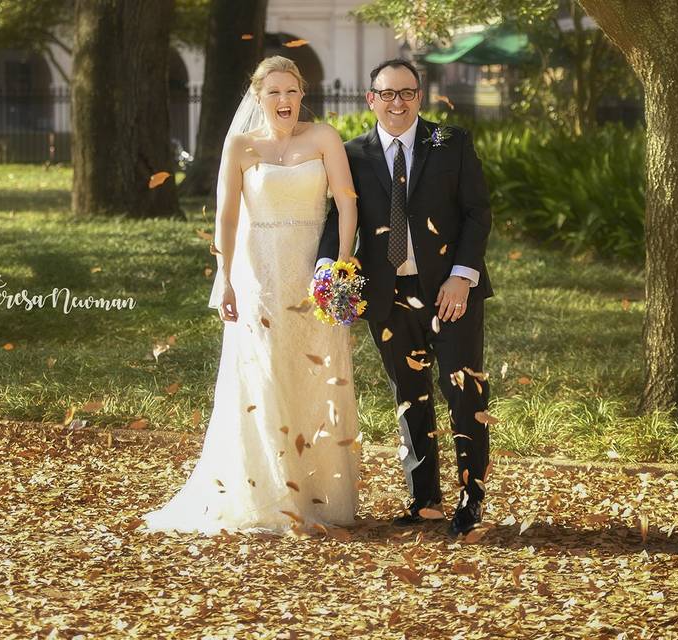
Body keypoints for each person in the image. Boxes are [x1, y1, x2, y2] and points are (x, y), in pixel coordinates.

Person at [143, 56, 360, 535]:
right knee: (262, 377)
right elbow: (227, 217)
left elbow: (346, 201)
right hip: (259, 272)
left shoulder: (323, 137)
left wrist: (340, 266)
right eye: (273, 93)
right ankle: (265, 495)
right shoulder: (240, 145)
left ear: (303, 93)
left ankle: (315, 494)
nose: (283, 101)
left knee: (312, 373)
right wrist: (226, 276)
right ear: (258, 98)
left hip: (312, 272)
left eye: (291, 91)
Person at [317, 58, 494, 537]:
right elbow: (338, 220)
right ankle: (424, 499)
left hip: (449, 291)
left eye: (407, 93)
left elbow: (478, 213)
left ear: (421, 96)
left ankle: (470, 499)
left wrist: (462, 276)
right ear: (370, 99)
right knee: (409, 394)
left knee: (464, 391)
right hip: (387, 292)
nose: (398, 103)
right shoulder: (353, 154)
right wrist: (327, 270)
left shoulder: (450, 142)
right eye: (388, 93)